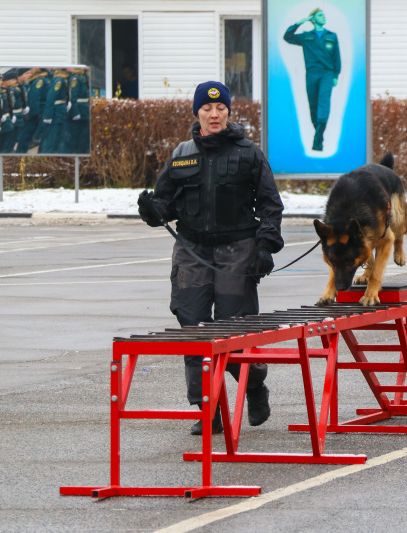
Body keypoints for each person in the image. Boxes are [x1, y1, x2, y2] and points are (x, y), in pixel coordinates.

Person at [137, 81, 284, 435]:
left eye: (220, 109)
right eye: (207, 108)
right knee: (194, 330)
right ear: (197, 112)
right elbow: (166, 204)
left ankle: (253, 386)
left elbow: (270, 206)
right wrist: (151, 209)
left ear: (229, 112)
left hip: (238, 251)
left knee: (234, 332)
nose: (214, 114)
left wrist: (265, 248)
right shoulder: (182, 153)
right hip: (192, 251)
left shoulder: (250, 154)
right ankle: (207, 409)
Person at [284, 8, 341, 151]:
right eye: (320, 15)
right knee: (313, 105)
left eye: (324, 14)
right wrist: (301, 22)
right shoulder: (306, 36)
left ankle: (317, 141)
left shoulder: (332, 36)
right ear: (313, 19)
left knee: (324, 104)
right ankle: (319, 135)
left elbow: (336, 58)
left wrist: (335, 75)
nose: (324, 17)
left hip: (327, 73)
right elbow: (288, 36)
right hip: (312, 74)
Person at [40, 68, 70, 154]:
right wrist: (48, 116)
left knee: (57, 141)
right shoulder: (59, 81)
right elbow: (51, 98)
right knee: (51, 141)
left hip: (59, 114)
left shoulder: (62, 79)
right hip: (55, 115)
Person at [65, 67, 91, 154]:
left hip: (85, 110)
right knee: (75, 135)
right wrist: (75, 112)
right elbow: (73, 96)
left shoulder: (83, 77)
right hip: (79, 109)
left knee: (84, 136)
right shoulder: (75, 78)